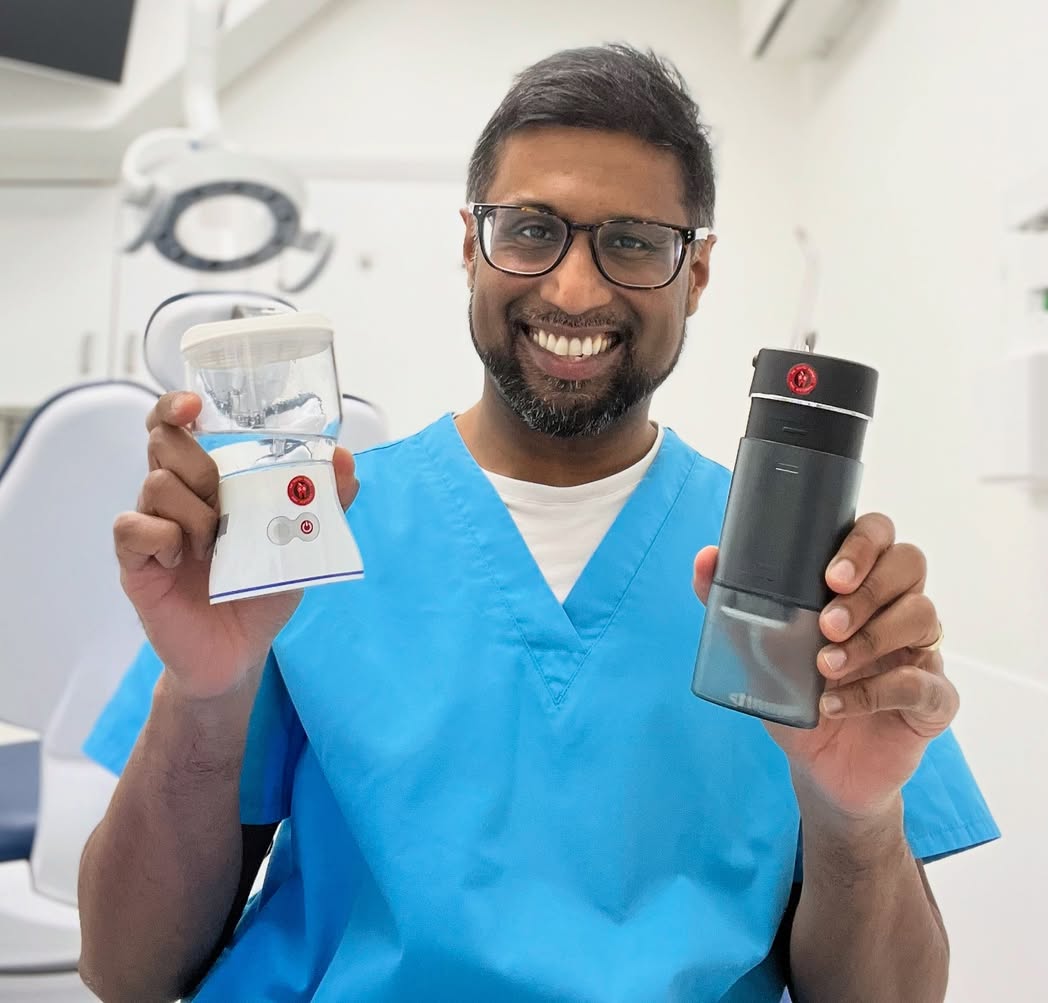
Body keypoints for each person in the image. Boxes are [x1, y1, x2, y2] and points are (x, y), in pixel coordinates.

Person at [77, 44, 999, 1003]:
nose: (574, 290)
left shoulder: (805, 585)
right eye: (529, 231)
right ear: (470, 245)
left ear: (697, 272)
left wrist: (856, 820)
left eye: (634, 242)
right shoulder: (303, 537)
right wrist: (203, 697)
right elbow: (125, 970)